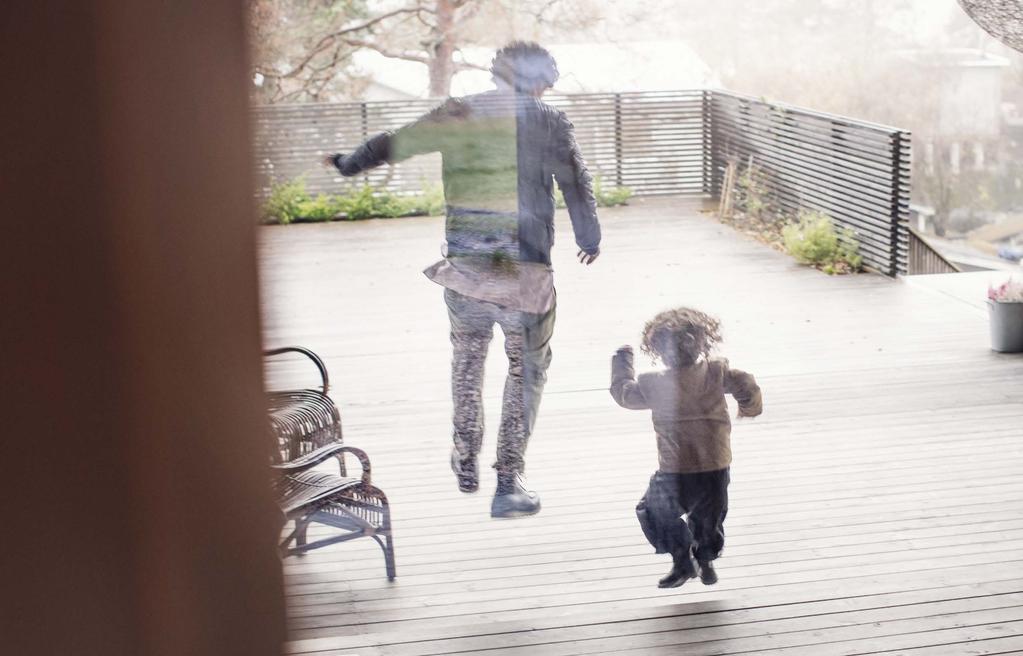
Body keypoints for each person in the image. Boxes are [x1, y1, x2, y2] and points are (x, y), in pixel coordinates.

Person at [325, 42, 601, 518]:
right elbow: (574, 181)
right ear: (538, 81)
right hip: (526, 276)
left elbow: (396, 141)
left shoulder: (458, 113)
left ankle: (465, 456)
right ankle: (508, 479)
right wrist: (589, 237)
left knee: (468, 364)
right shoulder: (549, 121)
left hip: (467, 273)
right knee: (526, 370)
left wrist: (350, 163)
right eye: (546, 82)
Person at [610, 308, 762, 588]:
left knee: (653, 511)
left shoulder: (653, 383)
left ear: (657, 350)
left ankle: (683, 558)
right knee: (709, 519)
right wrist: (749, 406)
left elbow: (625, 395)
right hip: (714, 465)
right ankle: (704, 560)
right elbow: (746, 382)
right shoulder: (716, 372)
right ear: (703, 343)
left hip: (674, 468)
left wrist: (622, 363)